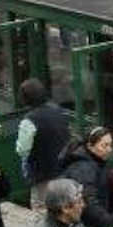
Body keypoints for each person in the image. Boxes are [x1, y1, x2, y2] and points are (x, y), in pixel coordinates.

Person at [14, 78, 72, 216]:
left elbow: (22, 150)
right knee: (63, 209)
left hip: (42, 175)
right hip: (63, 170)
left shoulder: (29, 120)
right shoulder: (60, 111)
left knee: (41, 210)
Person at [58, 126, 113, 227]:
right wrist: (110, 222)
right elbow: (88, 202)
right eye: (104, 146)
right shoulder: (86, 168)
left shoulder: (88, 164)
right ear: (90, 146)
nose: (109, 150)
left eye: (110, 145)